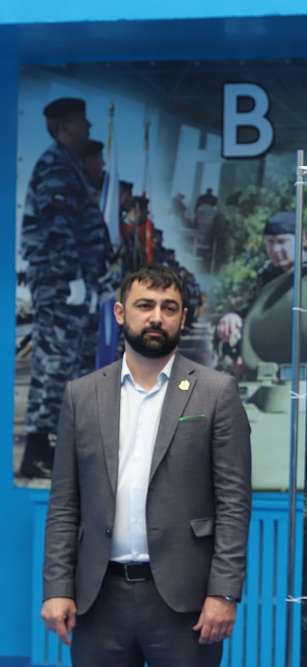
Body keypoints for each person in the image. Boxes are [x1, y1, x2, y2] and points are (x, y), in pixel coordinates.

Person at [40, 264, 253, 666]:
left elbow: (233, 505)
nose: (157, 317)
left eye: (169, 308)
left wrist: (224, 592)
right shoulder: (81, 395)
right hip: (98, 599)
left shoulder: (216, 393)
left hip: (185, 603)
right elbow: (64, 504)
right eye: (145, 305)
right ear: (121, 313)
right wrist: (57, 587)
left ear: (183, 318)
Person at [18, 97, 113, 479]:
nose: (88, 126)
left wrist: (95, 280)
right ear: (64, 126)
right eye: (81, 121)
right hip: (60, 282)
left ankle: (60, 445)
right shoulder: (55, 165)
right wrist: (72, 276)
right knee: (55, 362)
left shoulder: (69, 164)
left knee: (73, 363)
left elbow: (81, 227)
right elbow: (56, 226)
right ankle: (38, 449)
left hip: (75, 282)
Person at [214, 211, 303, 378]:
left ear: (302, 239)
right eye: (270, 242)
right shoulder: (267, 273)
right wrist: (232, 315)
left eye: (282, 241)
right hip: (268, 344)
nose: (275, 249)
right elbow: (254, 309)